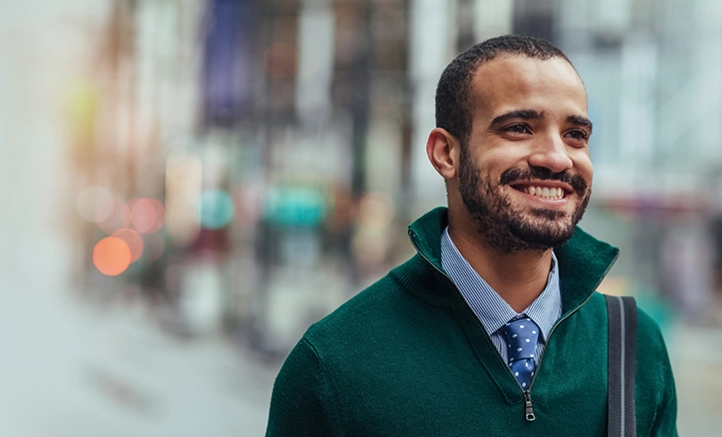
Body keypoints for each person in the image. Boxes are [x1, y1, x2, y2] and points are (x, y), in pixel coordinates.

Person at [265, 35, 677, 436]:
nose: (556, 157)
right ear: (446, 153)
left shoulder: (634, 345)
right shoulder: (333, 364)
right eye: (519, 127)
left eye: (576, 135)